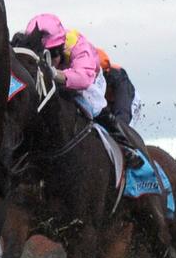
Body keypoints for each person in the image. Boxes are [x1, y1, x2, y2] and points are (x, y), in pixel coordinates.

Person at [23, 14, 146, 169]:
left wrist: (54, 74)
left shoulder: (78, 46)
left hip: (89, 79)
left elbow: (84, 78)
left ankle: (125, 146)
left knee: (92, 104)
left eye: (51, 54)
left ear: (61, 48)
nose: (48, 59)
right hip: (65, 78)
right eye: (42, 53)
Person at [97, 48, 142, 127]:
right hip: (107, 103)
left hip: (129, 102)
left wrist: (119, 125)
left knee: (120, 127)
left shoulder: (118, 78)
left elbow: (123, 111)